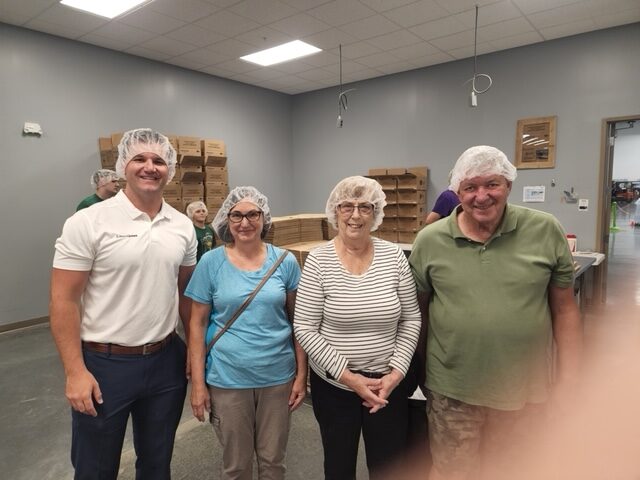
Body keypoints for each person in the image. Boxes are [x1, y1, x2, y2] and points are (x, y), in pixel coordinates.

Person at [409, 146, 582, 480]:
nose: (481, 196)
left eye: (492, 184)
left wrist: (570, 380)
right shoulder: (429, 241)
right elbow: (419, 313)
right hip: (451, 391)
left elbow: (565, 311)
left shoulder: (545, 230)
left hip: (525, 390)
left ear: (509, 185)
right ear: (456, 192)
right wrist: (419, 375)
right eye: (470, 187)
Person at [50, 128, 197, 480]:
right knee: (95, 468)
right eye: (139, 159)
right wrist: (74, 372)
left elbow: (187, 297)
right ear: (122, 167)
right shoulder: (88, 222)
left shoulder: (183, 226)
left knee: (157, 463)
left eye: (159, 160)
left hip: (165, 362)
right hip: (104, 365)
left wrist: (193, 350)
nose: (150, 167)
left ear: (170, 169)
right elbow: (63, 299)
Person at [294, 175, 422, 480]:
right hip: (336, 387)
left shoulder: (394, 257)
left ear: (376, 213)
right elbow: (305, 327)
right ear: (335, 212)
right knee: (338, 467)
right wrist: (350, 377)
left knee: (388, 466)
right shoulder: (318, 260)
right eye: (346, 206)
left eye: (365, 207)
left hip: (387, 386)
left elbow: (411, 318)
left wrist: (396, 372)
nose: (355, 215)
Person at [186, 186, 307, 480]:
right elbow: (197, 324)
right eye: (236, 215)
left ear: (264, 219)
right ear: (227, 220)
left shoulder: (285, 262)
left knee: (273, 461)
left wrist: (302, 376)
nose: (245, 222)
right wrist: (198, 385)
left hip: (277, 377)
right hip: (228, 379)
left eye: (253, 214)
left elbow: (297, 322)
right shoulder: (210, 263)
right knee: (236, 465)